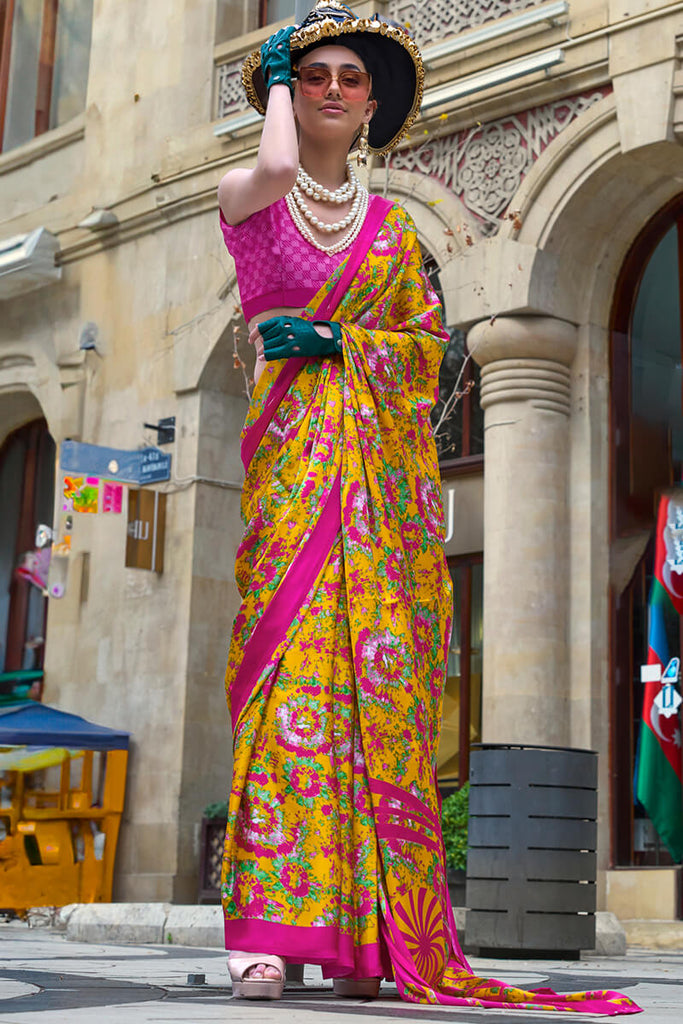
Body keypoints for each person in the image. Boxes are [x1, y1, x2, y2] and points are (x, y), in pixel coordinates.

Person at [217, 2, 640, 1014]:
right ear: (286, 92)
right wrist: (271, 80)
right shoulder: (249, 198)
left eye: (349, 79)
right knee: (288, 697)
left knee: (371, 711)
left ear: (371, 104)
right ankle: (265, 940)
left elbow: (422, 358)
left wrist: (342, 343)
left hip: (376, 509)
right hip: (293, 485)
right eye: (312, 75)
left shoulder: (395, 234)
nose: (330, 90)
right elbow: (274, 167)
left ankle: (361, 935)